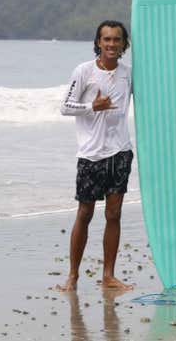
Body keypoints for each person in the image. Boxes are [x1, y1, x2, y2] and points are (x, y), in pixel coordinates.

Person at [57, 20, 134, 292]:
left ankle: (108, 275)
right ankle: (73, 276)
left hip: (120, 153)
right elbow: (65, 107)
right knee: (85, 213)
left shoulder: (128, 73)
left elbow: (154, 97)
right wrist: (92, 106)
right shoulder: (84, 71)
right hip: (91, 155)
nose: (112, 44)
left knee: (114, 214)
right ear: (98, 42)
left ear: (125, 44)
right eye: (106, 39)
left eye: (117, 39)